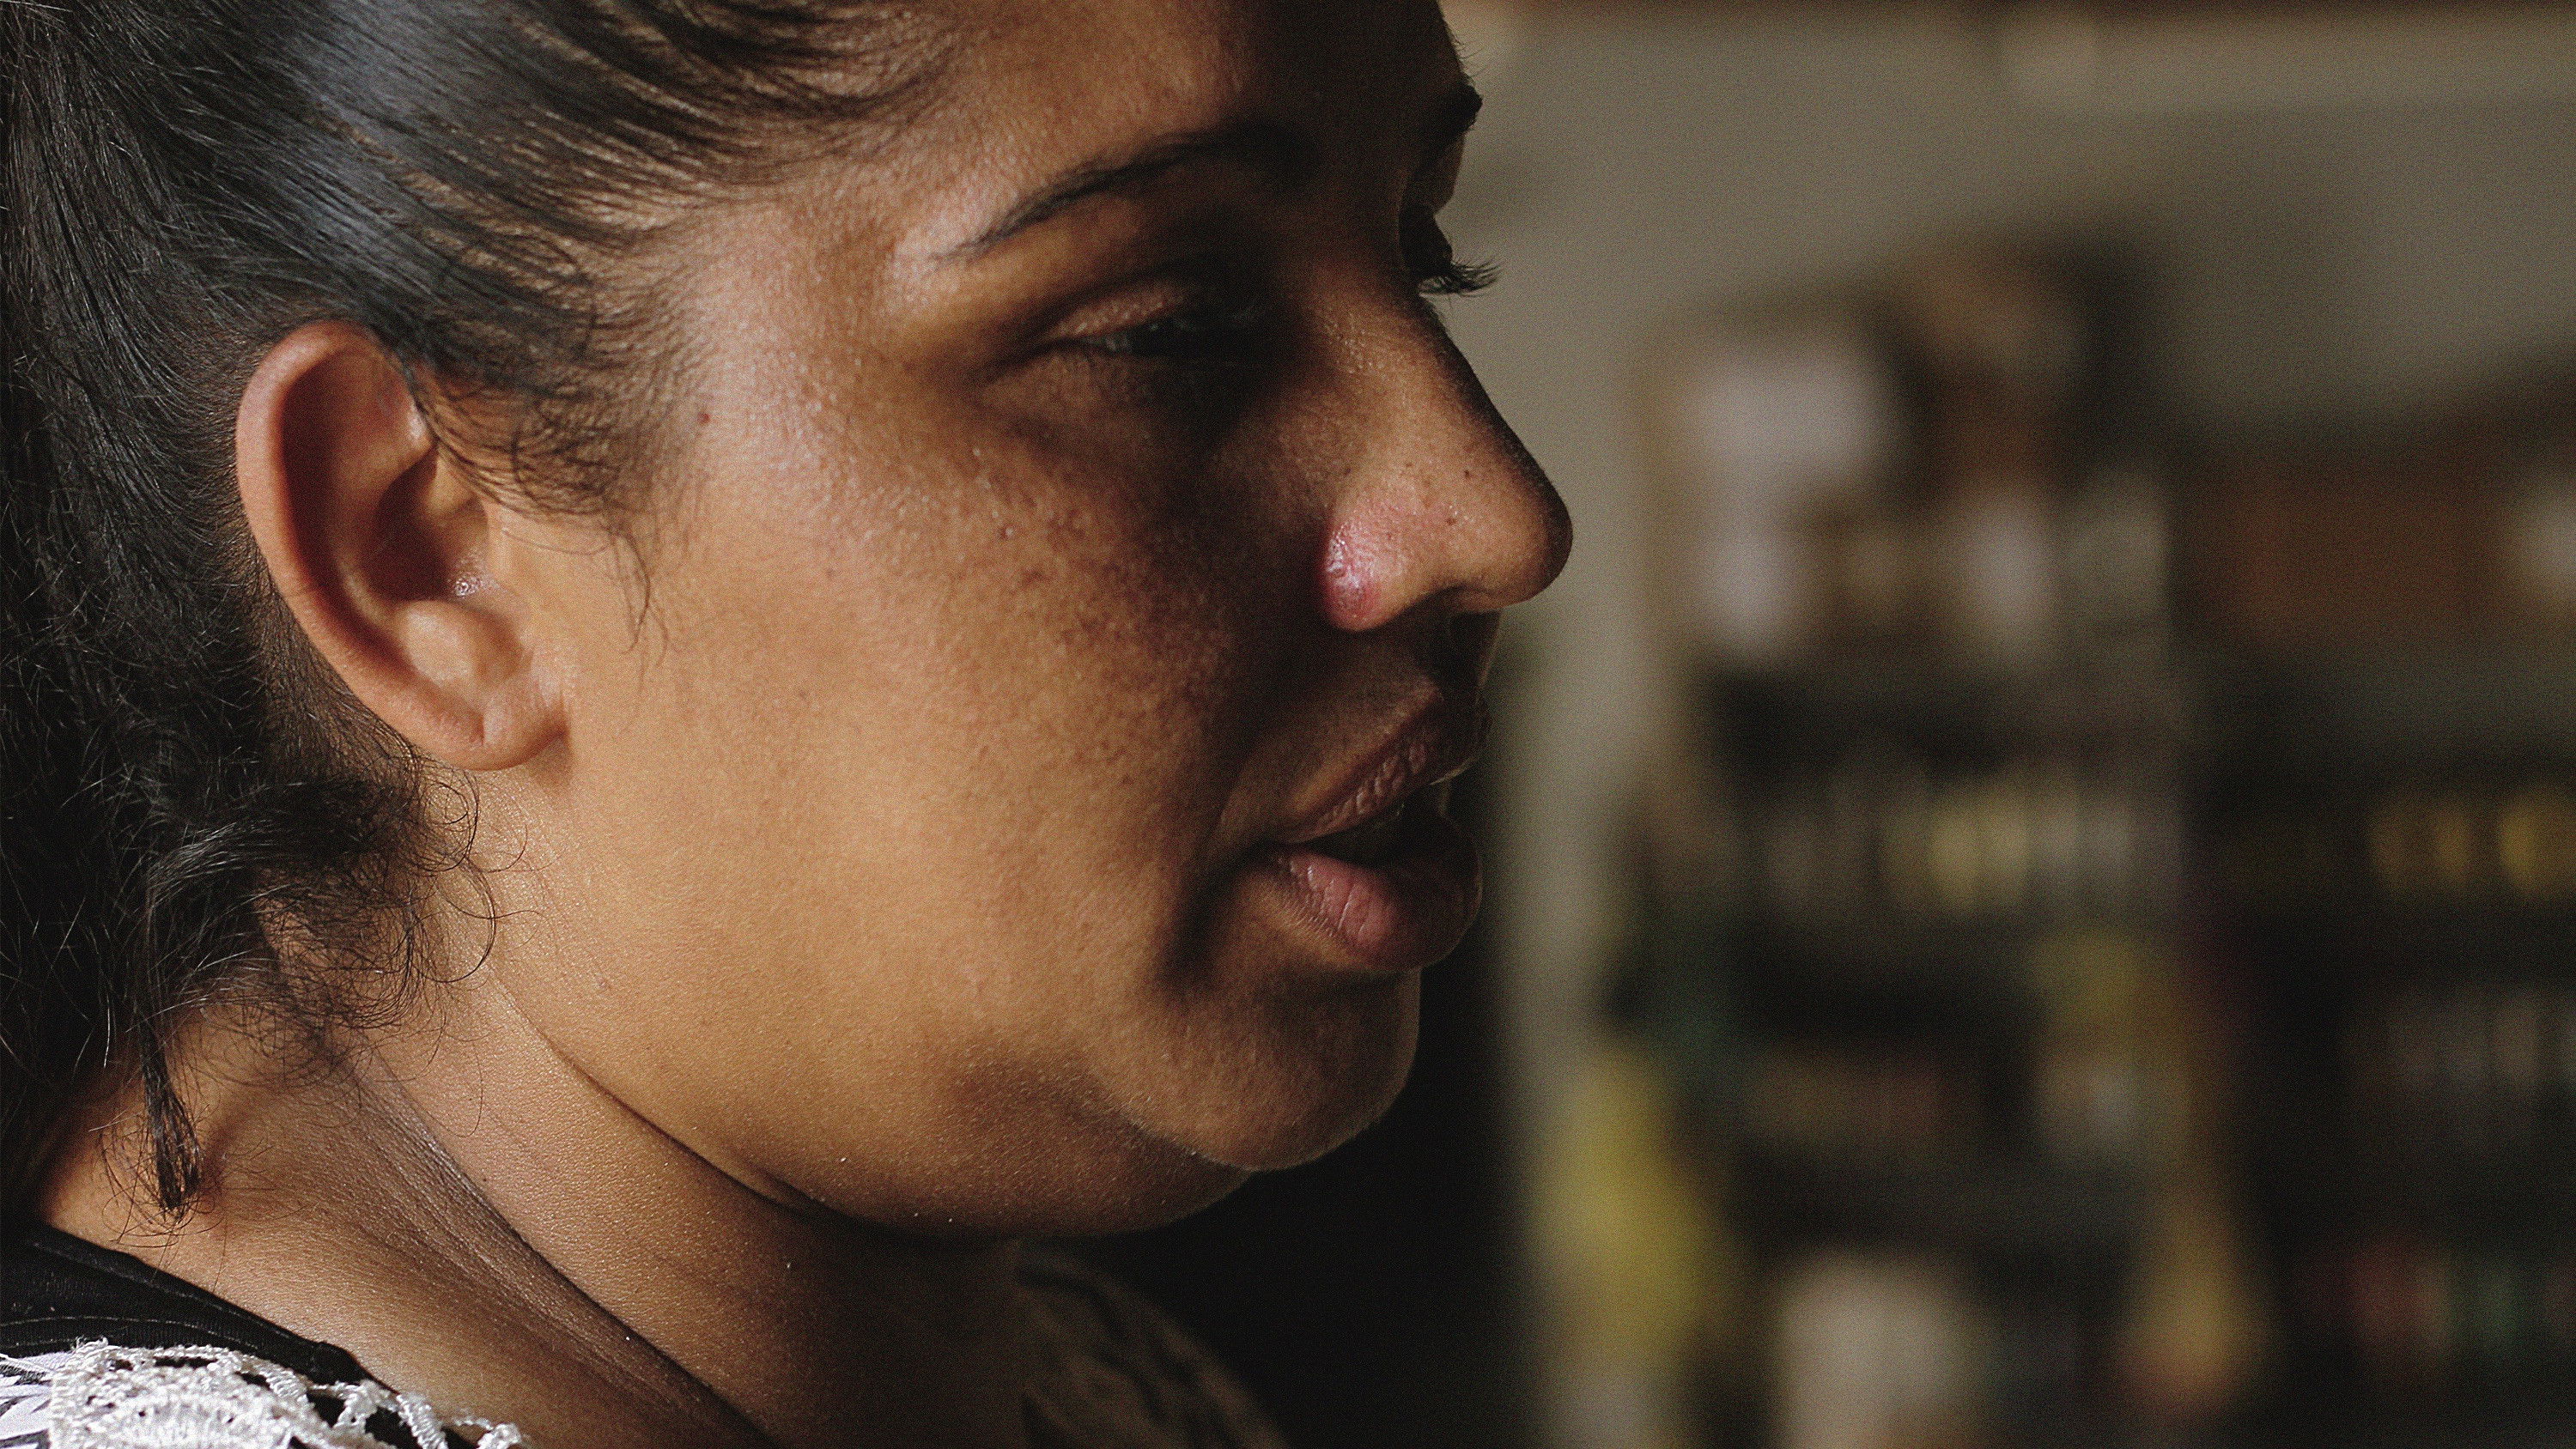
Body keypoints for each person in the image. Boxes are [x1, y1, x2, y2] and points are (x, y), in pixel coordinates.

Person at [0, 0, 1569, 1444]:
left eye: (1425, 254)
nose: (1498, 519)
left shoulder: (1105, 1390)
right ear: (421, 549)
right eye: (1171, 329)